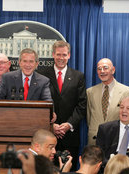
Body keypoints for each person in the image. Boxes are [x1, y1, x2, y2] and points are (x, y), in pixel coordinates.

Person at [38, 40, 87, 170]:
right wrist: (51, 125)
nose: (61, 58)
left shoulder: (78, 76)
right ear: (53, 55)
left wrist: (68, 125)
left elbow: (82, 104)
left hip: (69, 136)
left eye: (64, 55)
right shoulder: (42, 75)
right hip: (47, 134)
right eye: (58, 54)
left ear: (69, 55)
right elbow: (39, 103)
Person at [87, 58, 129, 145]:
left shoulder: (127, 92)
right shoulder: (90, 92)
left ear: (113, 70)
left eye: (105, 68)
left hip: (116, 140)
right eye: (99, 69)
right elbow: (89, 116)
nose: (102, 71)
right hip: (94, 140)